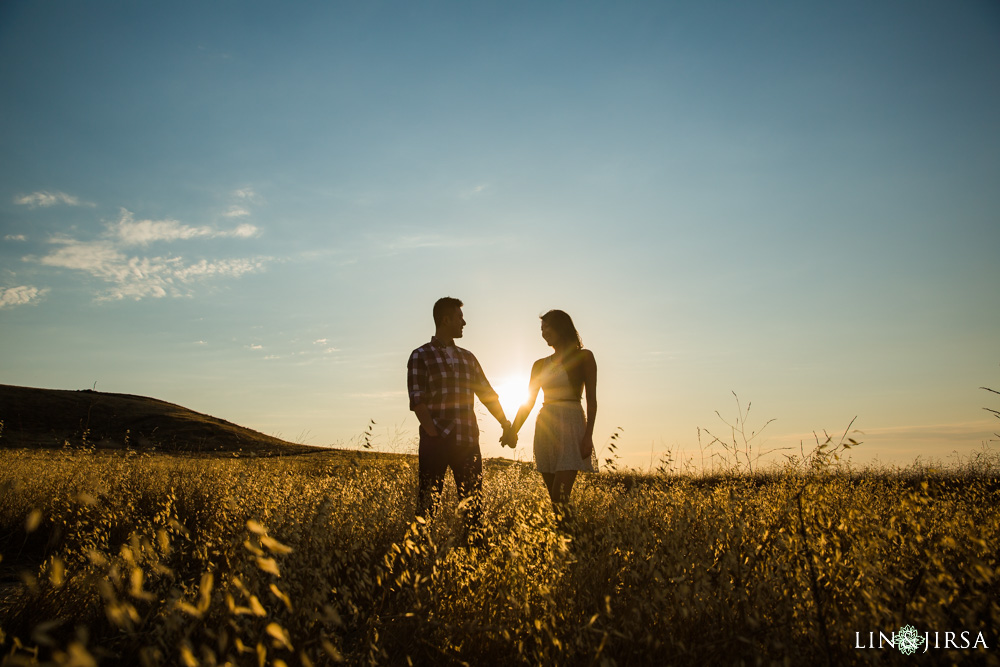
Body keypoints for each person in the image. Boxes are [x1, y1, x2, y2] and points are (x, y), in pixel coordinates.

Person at [407, 297, 512, 541]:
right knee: (427, 503)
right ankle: (418, 554)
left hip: (467, 441)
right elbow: (417, 400)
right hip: (435, 441)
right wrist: (433, 433)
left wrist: (505, 423)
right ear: (445, 320)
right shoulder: (420, 355)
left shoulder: (468, 357)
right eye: (459, 317)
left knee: (473, 504)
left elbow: (487, 394)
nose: (464, 322)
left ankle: (474, 554)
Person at [503, 309, 597, 525]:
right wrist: (512, 431)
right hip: (546, 425)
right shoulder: (539, 364)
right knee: (556, 501)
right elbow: (528, 402)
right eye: (541, 329)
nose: (543, 333)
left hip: (572, 423)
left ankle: (574, 541)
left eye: (547, 327)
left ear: (561, 328)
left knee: (560, 495)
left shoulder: (584, 357)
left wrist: (588, 436)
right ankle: (571, 542)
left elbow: (591, 400)